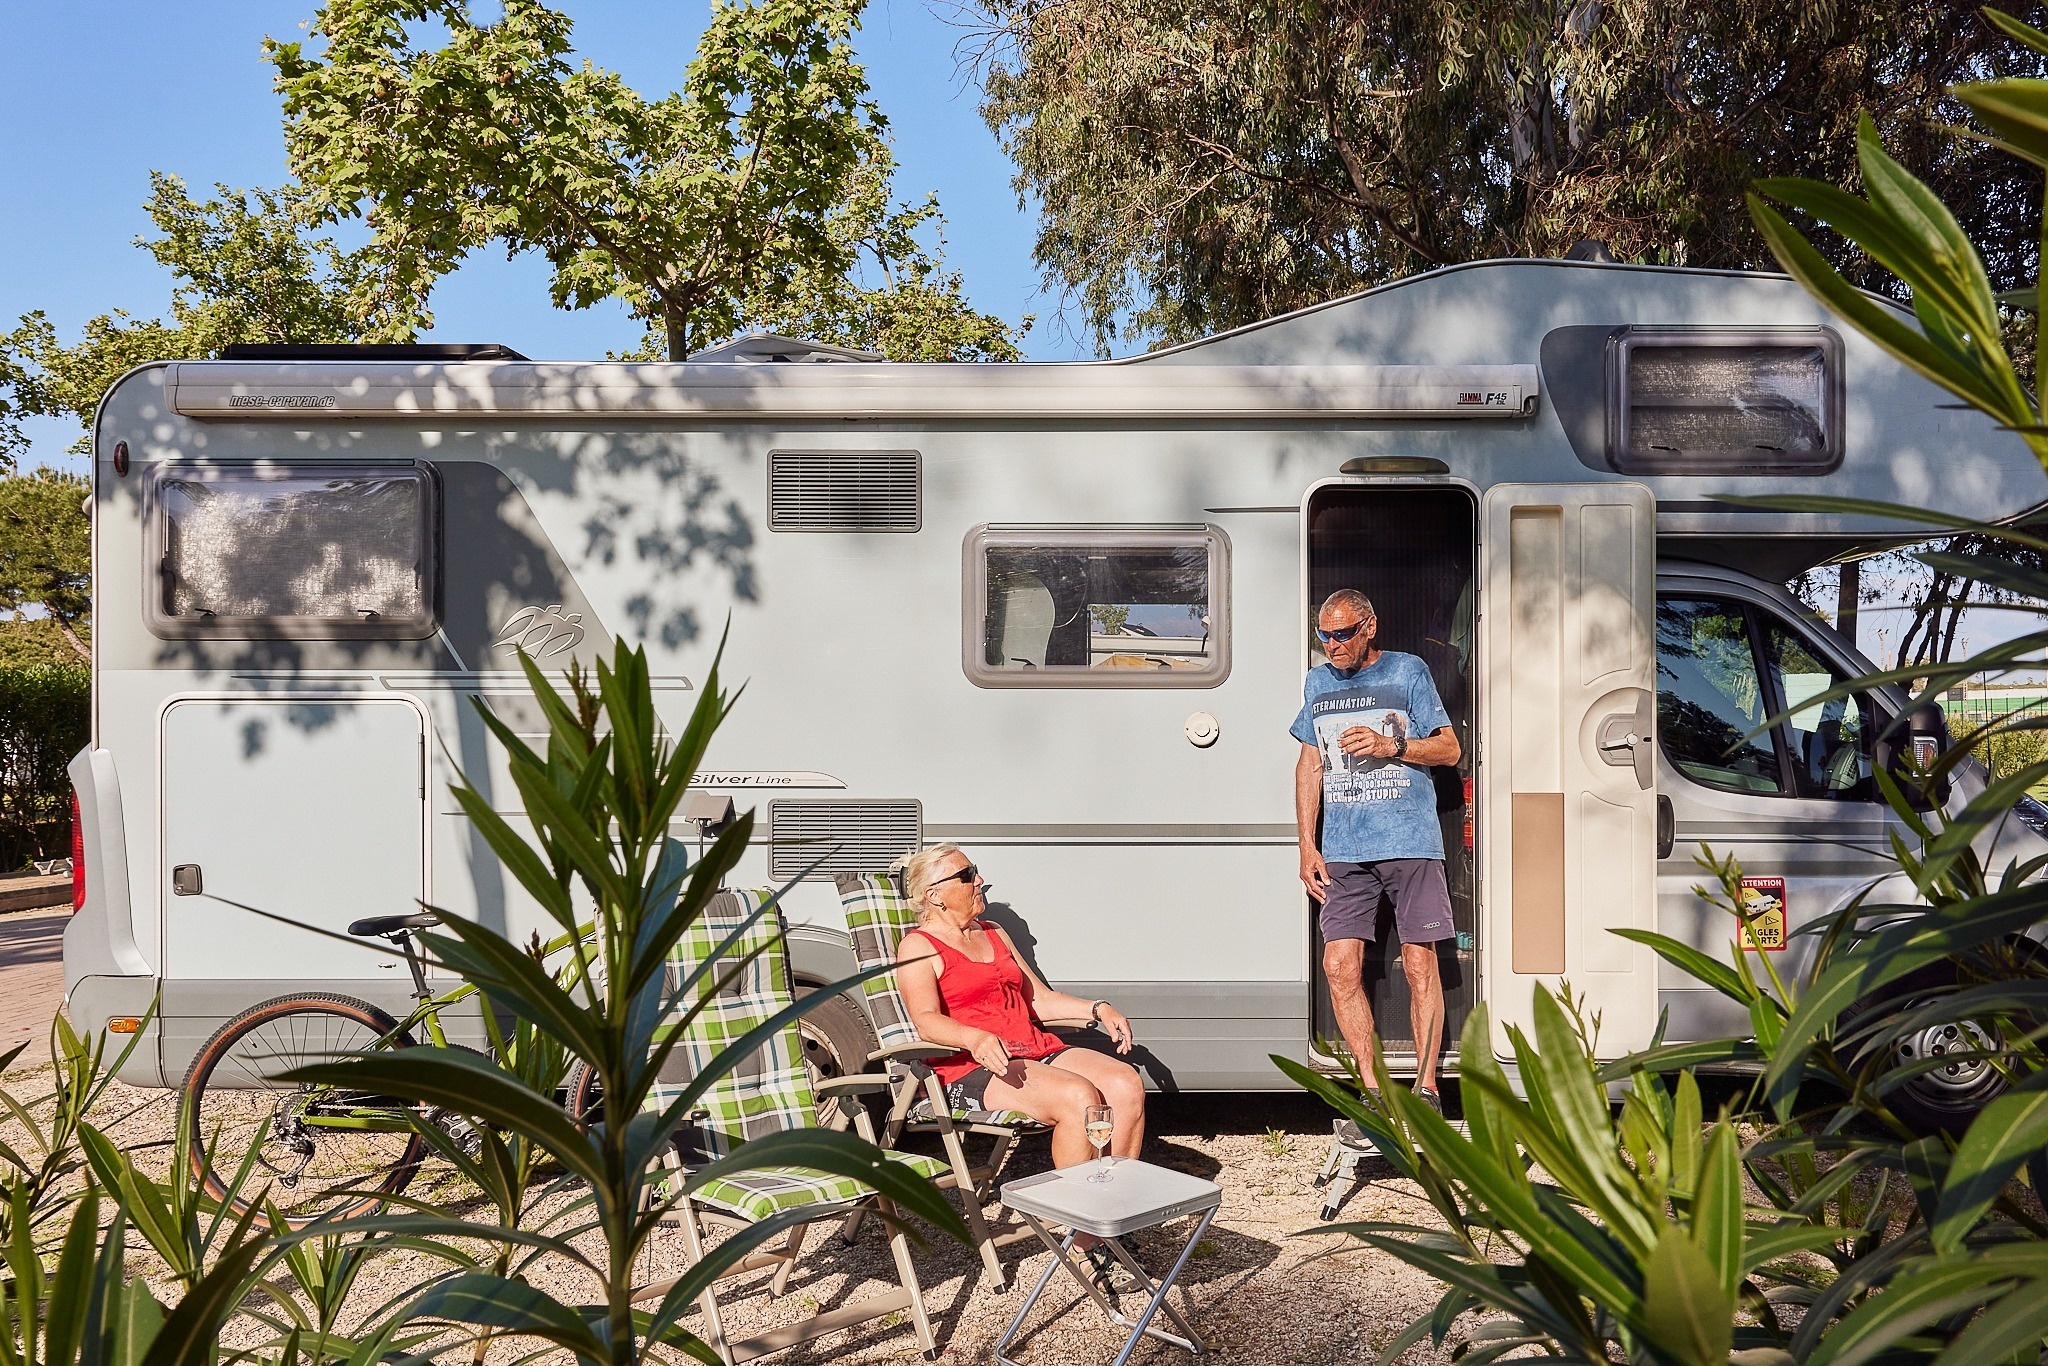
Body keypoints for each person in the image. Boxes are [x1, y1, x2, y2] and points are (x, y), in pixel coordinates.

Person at [893, 843, 1144, 1278]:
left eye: (976, 872)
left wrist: (1097, 1009)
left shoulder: (993, 932)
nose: (979, 881)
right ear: (934, 894)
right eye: (967, 874)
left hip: (1033, 1047)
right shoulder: (919, 946)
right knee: (1080, 1098)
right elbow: (926, 1022)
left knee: (1125, 1085)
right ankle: (1085, 1233)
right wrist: (973, 1037)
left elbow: (1039, 1001)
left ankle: (1111, 1217)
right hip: (973, 1066)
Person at [1292, 588, 1461, 1113]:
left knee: (1418, 965)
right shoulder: (1318, 682)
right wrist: (1305, 845)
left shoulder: (1408, 671)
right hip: (1343, 849)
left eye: (1342, 634)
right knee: (1340, 966)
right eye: (1324, 635)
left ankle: (1428, 1087)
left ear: (1370, 626)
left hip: (1409, 840)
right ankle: (1369, 1090)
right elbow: (1309, 765)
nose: (1332, 645)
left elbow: (1450, 749)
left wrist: (1392, 746)